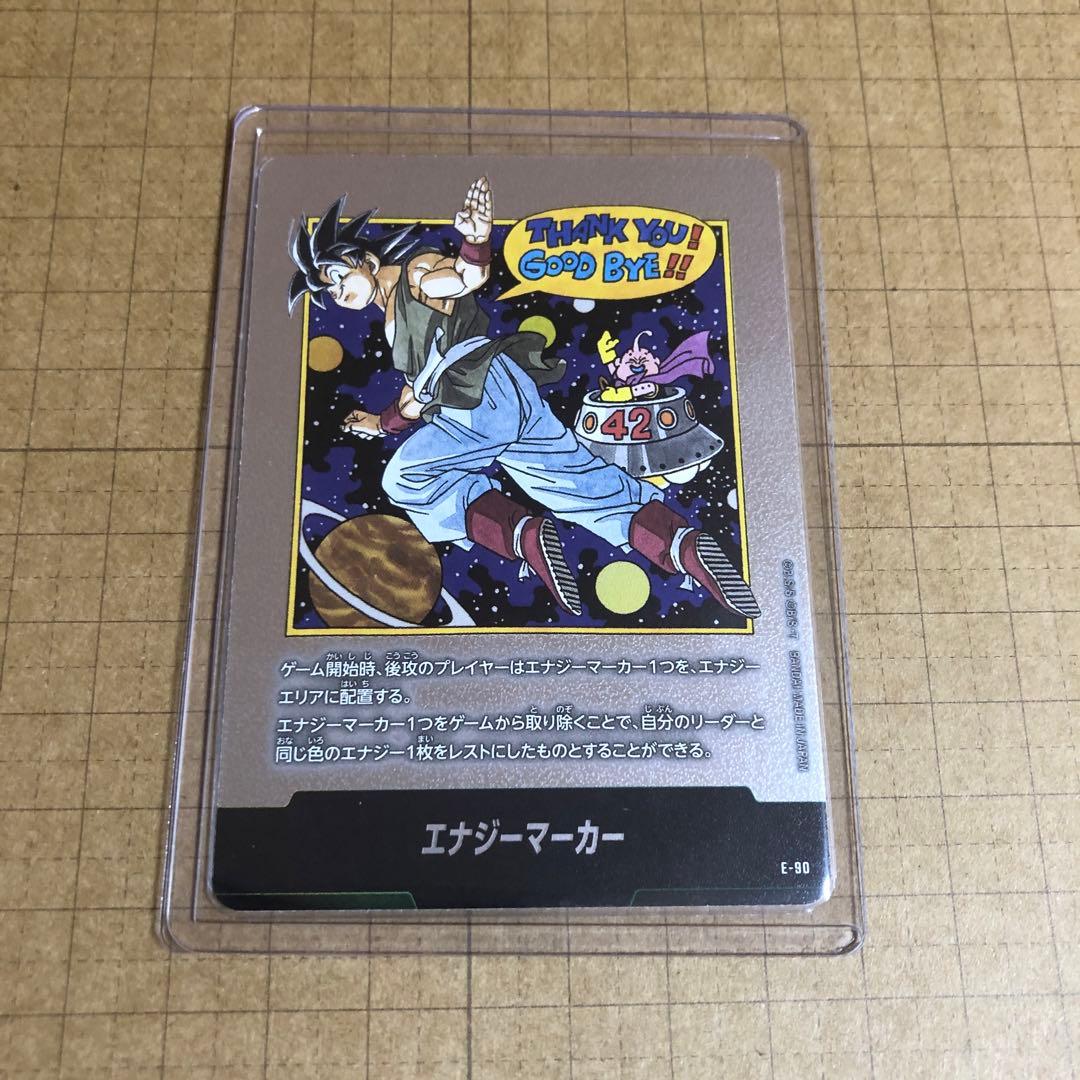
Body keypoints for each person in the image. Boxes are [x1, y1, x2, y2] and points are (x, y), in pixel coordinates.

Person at [287, 180, 759, 620]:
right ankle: (682, 545)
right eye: (328, 291)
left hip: (476, 400)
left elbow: (464, 278)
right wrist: (379, 423)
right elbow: (417, 394)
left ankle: (521, 534)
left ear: (365, 259)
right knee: (578, 483)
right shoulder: (393, 308)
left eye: (337, 276)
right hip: (506, 388)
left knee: (406, 478)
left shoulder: (414, 276)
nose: (337, 293)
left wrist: (476, 241)